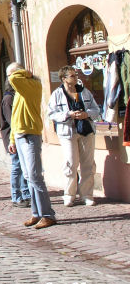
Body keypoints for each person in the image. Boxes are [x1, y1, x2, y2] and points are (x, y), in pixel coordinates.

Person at [7, 62, 56, 229]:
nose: (9, 79)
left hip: (30, 135)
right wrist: (12, 139)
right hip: (20, 136)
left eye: (10, 74)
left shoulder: (32, 85)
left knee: (35, 176)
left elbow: (14, 78)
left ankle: (48, 215)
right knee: (28, 177)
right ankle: (36, 213)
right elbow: (15, 117)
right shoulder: (19, 91)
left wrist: (22, 73)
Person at [47, 65, 100, 207]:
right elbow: (51, 113)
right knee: (71, 163)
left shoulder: (84, 92)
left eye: (76, 75)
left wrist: (86, 114)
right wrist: (68, 114)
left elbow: (96, 110)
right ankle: (69, 195)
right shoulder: (57, 94)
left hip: (86, 131)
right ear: (64, 78)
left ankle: (87, 195)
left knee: (88, 164)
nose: (76, 77)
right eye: (72, 75)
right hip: (68, 132)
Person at [0, 83, 30, 207]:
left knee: (22, 165)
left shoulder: (15, 97)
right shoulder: (8, 99)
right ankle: (16, 196)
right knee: (17, 165)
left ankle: (26, 193)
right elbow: (12, 121)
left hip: (19, 136)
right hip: (12, 137)